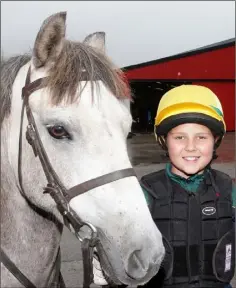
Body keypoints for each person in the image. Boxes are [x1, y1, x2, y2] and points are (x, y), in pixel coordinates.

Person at [93, 85, 235, 288]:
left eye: (201, 137)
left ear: (216, 140)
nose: (191, 146)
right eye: (179, 137)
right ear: (163, 141)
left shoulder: (228, 189)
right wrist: (107, 265)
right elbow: (118, 242)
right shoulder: (145, 192)